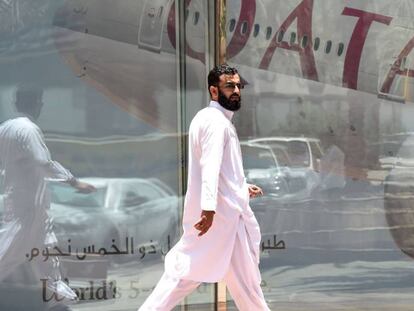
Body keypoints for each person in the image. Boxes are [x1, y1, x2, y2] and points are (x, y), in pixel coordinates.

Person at [139, 65, 270, 311]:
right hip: (218, 219)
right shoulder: (215, 123)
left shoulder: (211, 119)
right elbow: (209, 168)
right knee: (182, 277)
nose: (236, 92)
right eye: (229, 86)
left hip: (227, 219)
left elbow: (220, 170)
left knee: (245, 288)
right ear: (213, 90)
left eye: (238, 86)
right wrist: (208, 210)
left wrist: (241, 187)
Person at [0, 85, 96, 310]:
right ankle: (57, 300)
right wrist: (74, 182)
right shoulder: (28, 130)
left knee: (45, 256)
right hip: (27, 210)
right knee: (8, 254)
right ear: (38, 104)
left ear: (16, 104)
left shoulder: (5, 129)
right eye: (40, 103)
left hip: (26, 206)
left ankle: (57, 302)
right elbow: (44, 163)